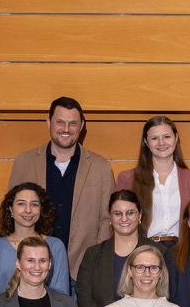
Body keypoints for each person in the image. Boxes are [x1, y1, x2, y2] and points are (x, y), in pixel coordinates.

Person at [7, 96, 115, 277]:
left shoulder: (100, 166)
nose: (66, 129)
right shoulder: (24, 162)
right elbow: (10, 215)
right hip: (32, 269)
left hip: (82, 270)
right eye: (60, 122)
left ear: (81, 126)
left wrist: (97, 261)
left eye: (73, 123)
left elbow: (107, 219)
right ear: (49, 122)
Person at [0, 183, 73, 307]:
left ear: (41, 209)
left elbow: (61, 294)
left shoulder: (55, 246)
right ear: (10, 209)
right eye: (21, 203)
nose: (28, 210)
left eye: (34, 204)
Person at [75, 190, 161, 307]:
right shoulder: (93, 254)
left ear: (139, 215)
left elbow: (166, 294)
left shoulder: (160, 252)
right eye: (117, 213)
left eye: (130, 212)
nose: (124, 218)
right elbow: (84, 298)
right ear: (110, 216)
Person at [114, 116, 190, 245]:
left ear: (176, 138)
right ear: (146, 142)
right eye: (154, 138)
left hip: (181, 252)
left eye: (167, 137)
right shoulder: (127, 178)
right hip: (142, 250)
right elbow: (117, 221)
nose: (161, 143)